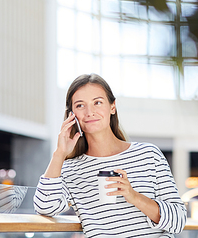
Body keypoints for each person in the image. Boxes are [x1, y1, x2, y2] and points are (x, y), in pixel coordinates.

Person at [34, 74, 187, 237]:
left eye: (97, 102)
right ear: (72, 115)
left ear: (112, 107)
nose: (89, 112)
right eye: (80, 106)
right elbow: (45, 207)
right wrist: (59, 154)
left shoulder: (149, 154)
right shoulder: (71, 169)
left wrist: (134, 196)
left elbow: (179, 220)